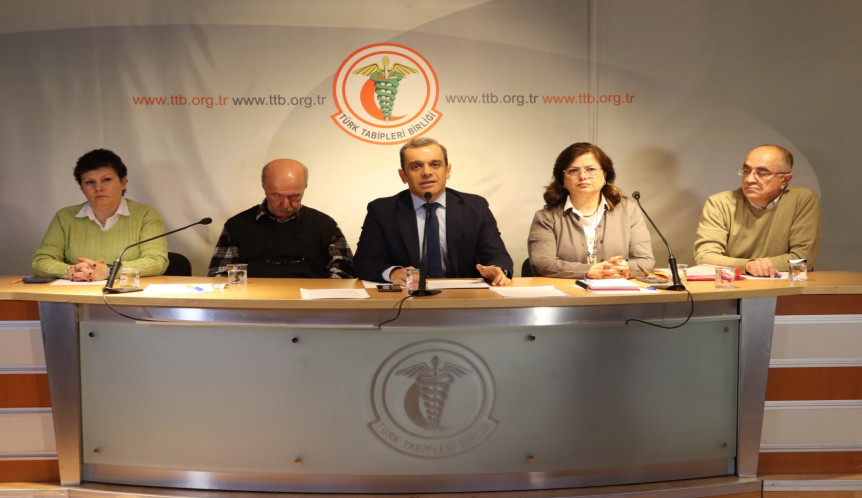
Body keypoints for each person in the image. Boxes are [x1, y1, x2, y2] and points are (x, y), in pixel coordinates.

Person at [353, 137, 513, 286]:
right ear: (403, 175)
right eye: (416, 166)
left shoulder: (475, 207)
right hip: (407, 297)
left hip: (463, 297)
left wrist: (496, 270)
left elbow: (498, 255)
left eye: (435, 165)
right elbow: (364, 262)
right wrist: (393, 273)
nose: (427, 172)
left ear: (448, 171)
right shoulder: (382, 211)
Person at [32, 149, 168, 281]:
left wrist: (109, 271)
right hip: (77, 292)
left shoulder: (145, 214)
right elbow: (41, 260)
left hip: (129, 292)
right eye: (90, 182)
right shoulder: (65, 217)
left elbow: (157, 261)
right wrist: (72, 271)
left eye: (106, 180)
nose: (98, 188)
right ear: (82, 188)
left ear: (123, 182)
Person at [207, 159, 354, 278]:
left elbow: (344, 269)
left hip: (312, 302)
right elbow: (218, 274)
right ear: (264, 187)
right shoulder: (237, 226)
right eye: (277, 195)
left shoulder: (325, 225)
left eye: (294, 197)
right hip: (254, 301)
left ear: (305, 187)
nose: (285, 205)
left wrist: (326, 296)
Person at [528, 142, 654, 279]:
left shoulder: (628, 210)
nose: (583, 176)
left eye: (590, 169)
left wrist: (626, 268)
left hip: (615, 287)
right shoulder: (546, 217)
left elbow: (645, 260)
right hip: (567, 290)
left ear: (605, 174)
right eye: (573, 170)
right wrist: (588, 271)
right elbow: (542, 263)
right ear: (562, 178)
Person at [694, 144, 822, 277]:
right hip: (734, 284)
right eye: (746, 171)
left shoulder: (802, 199)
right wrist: (747, 265)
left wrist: (756, 266)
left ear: (785, 180)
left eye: (762, 173)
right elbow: (705, 257)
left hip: (784, 285)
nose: (749, 179)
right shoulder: (719, 203)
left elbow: (802, 260)